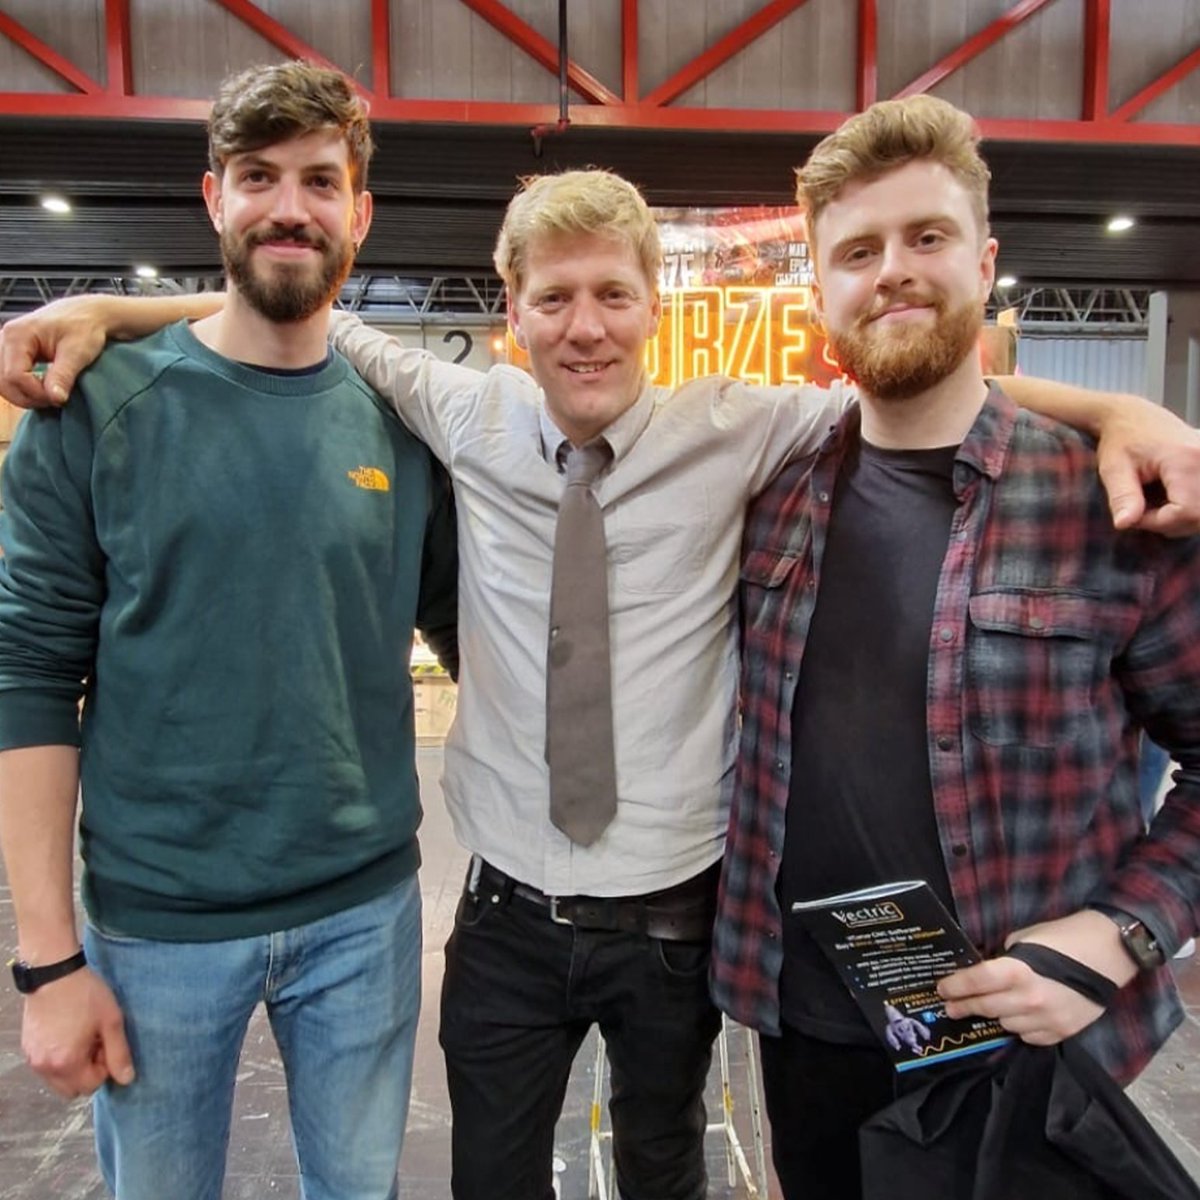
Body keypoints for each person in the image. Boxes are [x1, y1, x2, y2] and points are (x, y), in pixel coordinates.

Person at [3, 166, 1200, 1200]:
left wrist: (1118, 407)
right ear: (511, 312)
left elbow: (920, 386)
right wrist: (110, 306)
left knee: (665, 1165)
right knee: (492, 1173)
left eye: (614, 295)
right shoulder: (463, 408)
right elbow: (288, 311)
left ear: (655, 308)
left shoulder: (742, 426)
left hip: (678, 924)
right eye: (554, 299)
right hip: (507, 912)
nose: (586, 328)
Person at [710, 94, 1200, 1200]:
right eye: (858, 251)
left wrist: (1120, 937)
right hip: (811, 1031)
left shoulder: (1105, 499)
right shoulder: (767, 495)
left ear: (983, 262)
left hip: (1026, 1042)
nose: (893, 271)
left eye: (926, 238)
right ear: (819, 291)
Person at [0, 61, 457, 1200]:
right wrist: (48, 960)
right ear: (215, 199)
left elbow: (479, 636)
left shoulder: (405, 426)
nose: (288, 207)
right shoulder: (99, 412)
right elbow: (26, 676)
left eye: (319, 180)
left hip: (364, 915)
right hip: (157, 928)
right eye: (258, 178)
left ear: (359, 212)